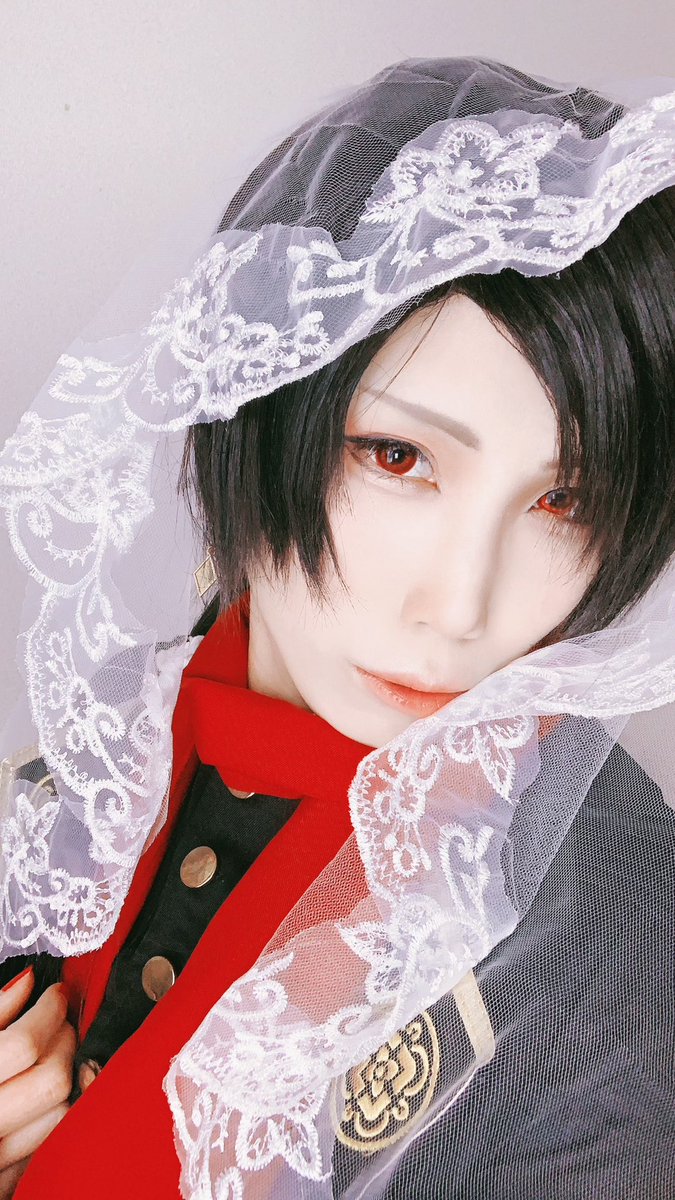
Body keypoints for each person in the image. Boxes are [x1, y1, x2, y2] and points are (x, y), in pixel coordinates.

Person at [0, 55, 673, 1199]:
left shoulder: (625, 935)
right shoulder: (86, 774)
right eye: (398, 457)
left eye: (565, 503)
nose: (459, 606)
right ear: (254, 400)